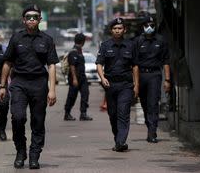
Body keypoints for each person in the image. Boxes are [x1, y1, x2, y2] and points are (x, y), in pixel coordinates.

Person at [0, 4, 59, 169]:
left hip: (39, 84)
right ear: (23, 20)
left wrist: (52, 90)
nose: (31, 19)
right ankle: (20, 151)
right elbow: (7, 63)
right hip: (19, 83)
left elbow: (52, 65)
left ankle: (34, 156)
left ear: (40, 19)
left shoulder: (47, 40)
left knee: (38, 122)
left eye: (35, 17)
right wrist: (2, 86)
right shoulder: (16, 38)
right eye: (28, 17)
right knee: (18, 118)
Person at [96, 18, 139, 152]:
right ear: (111, 30)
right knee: (112, 114)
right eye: (115, 28)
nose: (117, 30)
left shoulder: (131, 45)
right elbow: (99, 64)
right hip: (110, 85)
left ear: (124, 30)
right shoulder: (105, 45)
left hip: (126, 85)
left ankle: (121, 142)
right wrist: (102, 77)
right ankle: (118, 139)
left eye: (120, 28)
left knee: (123, 112)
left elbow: (135, 66)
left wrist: (136, 85)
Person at [135, 15, 171, 143]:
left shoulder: (161, 41)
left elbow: (166, 61)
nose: (149, 28)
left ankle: (152, 132)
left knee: (153, 104)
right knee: (145, 104)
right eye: (146, 26)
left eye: (152, 25)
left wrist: (167, 80)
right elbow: (134, 64)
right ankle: (149, 125)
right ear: (143, 27)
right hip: (141, 75)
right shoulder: (138, 41)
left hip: (155, 75)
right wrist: (135, 83)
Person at [64, 33, 93, 121]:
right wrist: (75, 79)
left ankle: (83, 114)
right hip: (75, 78)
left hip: (82, 78)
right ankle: (67, 114)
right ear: (83, 41)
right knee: (72, 96)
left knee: (85, 94)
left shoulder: (80, 51)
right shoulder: (73, 52)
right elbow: (72, 66)